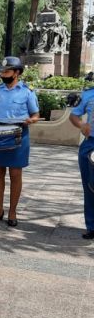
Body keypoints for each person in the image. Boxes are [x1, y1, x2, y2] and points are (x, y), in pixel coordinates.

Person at [0, 56, 40, 227]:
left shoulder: (27, 91)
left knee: (15, 174)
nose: (3, 74)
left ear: (17, 73)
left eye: (7, 71)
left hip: (18, 133)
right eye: (2, 71)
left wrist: (32, 120)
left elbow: (35, 115)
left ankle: (12, 212)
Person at [69, 85, 94, 239]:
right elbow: (74, 115)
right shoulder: (88, 94)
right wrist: (81, 125)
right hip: (90, 144)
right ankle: (92, 226)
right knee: (90, 187)